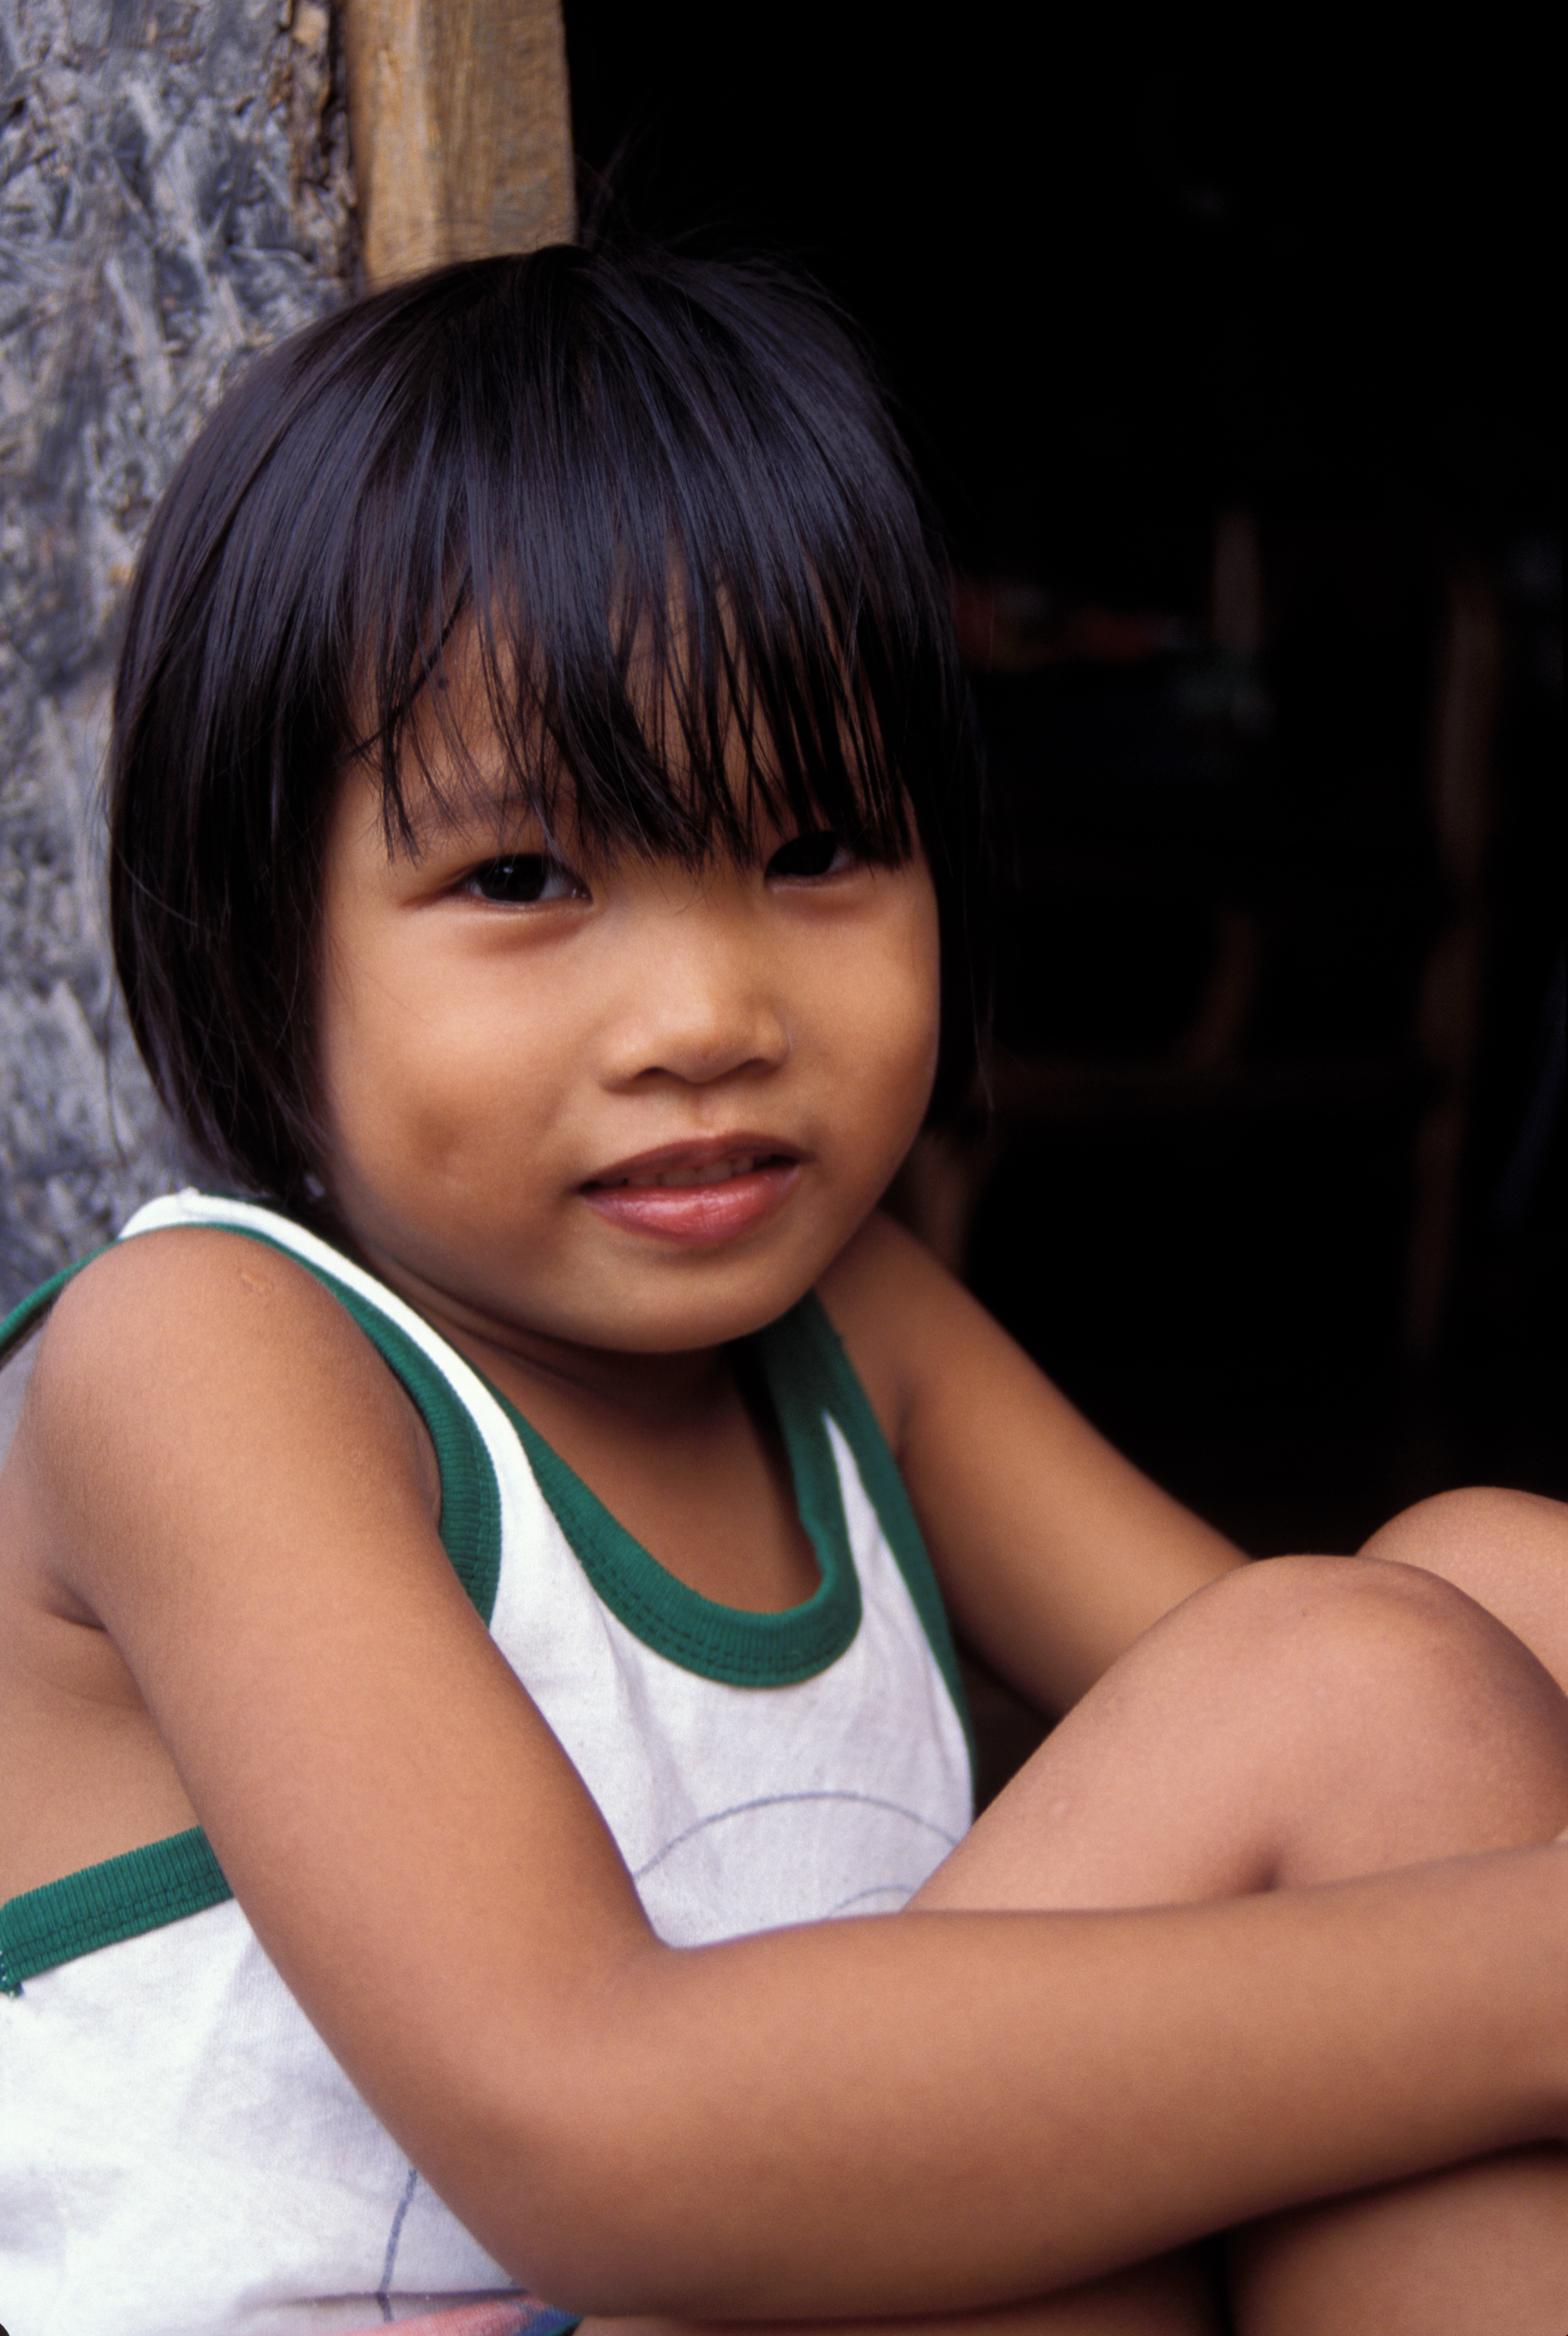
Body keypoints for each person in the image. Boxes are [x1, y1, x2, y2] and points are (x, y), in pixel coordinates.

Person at [0, 241, 1563, 2336]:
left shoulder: (854, 1339)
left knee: (1479, 1592)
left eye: (820, 844)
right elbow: (592, 2130)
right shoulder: (207, 1359)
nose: (710, 1012)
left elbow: (1399, 1743)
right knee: (1358, 1689)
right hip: (607, 2233)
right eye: (523, 878)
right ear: (256, 926)